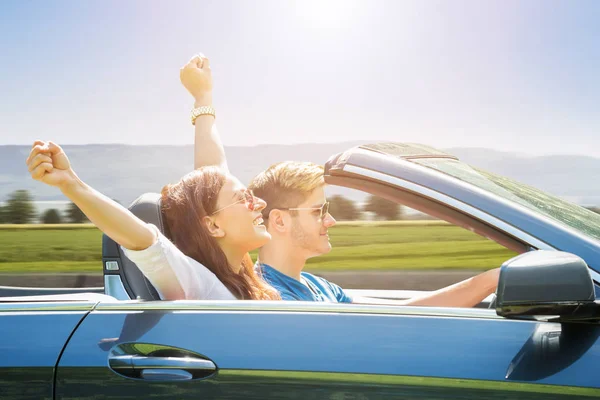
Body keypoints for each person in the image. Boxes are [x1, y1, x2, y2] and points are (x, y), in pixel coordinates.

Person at [185, 53, 499, 307]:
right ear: (278, 221)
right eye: (318, 211)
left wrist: (491, 280)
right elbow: (212, 184)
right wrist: (203, 100)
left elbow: (402, 315)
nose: (331, 220)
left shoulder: (320, 287)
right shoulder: (263, 292)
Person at [26, 60, 279, 302]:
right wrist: (70, 183)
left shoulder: (242, 278)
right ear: (212, 226)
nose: (260, 203)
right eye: (244, 199)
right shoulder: (198, 284)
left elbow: (213, 174)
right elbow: (146, 241)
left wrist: (203, 97)